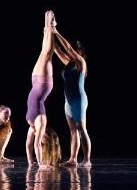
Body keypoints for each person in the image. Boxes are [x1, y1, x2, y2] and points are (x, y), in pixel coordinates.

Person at [51, 13, 92, 167]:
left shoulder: (81, 63)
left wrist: (56, 31)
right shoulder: (68, 63)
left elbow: (66, 47)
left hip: (79, 100)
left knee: (82, 129)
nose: (71, 52)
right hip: (68, 101)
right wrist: (49, 33)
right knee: (73, 131)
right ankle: (72, 159)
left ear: (80, 52)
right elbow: (57, 50)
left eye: (75, 50)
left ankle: (87, 160)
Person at [25, 10, 56, 169]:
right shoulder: (41, 122)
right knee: (48, 53)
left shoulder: (33, 127)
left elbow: (29, 145)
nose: (41, 142)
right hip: (43, 82)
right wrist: (42, 165)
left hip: (36, 80)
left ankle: (47, 26)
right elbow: (35, 145)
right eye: (44, 141)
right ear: (46, 137)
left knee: (44, 52)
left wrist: (31, 163)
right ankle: (49, 25)